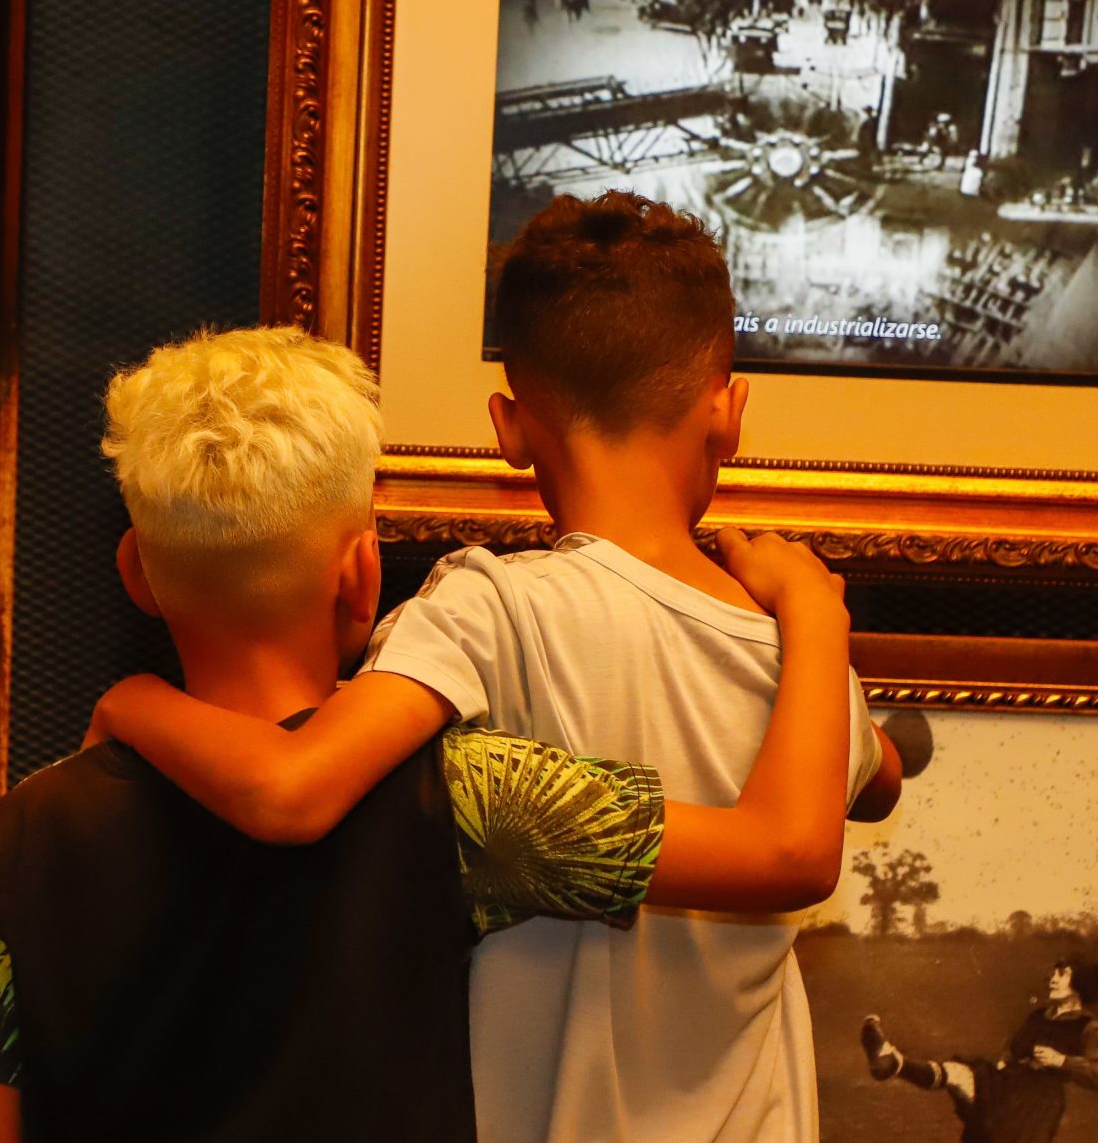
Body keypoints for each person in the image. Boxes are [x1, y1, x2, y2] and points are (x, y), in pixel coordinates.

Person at [88, 193, 903, 1142]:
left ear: (509, 427)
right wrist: (812, 611)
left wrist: (129, 697)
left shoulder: (490, 608)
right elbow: (877, 779)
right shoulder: (802, 661)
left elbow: (295, 785)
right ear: (729, 413)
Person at [857, 957, 1098, 1143]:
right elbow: (1013, 1049)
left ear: (1080, 982)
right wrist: (1005, 1061)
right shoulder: (1038, 1016)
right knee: (958, 1074)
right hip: (1008, 1084)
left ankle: (895, 1063)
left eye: (1063, 974)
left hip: (1037, 1102)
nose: (1053, 979)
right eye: (1054, 973)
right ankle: (891, 1061)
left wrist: (1061, 1061)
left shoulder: (1087, 1026)